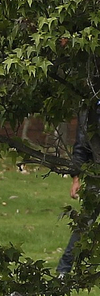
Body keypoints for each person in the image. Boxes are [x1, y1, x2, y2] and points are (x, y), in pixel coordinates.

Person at [56, 102, 100, 276]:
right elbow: (81, 146)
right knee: (84, 224)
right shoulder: (90, 109)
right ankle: (64, 270)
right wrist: (77, 177)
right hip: (96, 176)